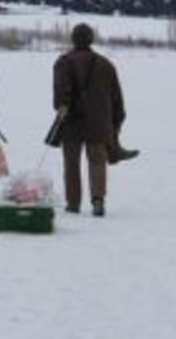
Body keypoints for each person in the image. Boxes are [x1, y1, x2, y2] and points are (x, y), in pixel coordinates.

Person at [53, 23, 136, 217]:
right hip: (99, 123)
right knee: (98, 162)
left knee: (71, 163)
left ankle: (73, 204)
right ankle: (98, 200)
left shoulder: (63, 62)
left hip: (72, 122)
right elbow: (117, 99)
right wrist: (115, 123)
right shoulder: (106, 64)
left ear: (73, 39)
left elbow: (60, 95)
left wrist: (61, 108)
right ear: (91, 39)